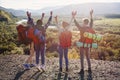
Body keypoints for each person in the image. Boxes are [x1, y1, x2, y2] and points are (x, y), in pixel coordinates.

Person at [72, 10, 94, 74]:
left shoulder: (81, 28)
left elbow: (76, 23)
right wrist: (91, 15)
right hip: (87, 44)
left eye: (83, 22)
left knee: (82, 56)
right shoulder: (90, 28)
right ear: (88, 22)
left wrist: (73, 17)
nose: (82, 23)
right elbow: (91, 22)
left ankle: (82, 70)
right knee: (87, 56)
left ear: (84, 22)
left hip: (81, 44)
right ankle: (89, 69)